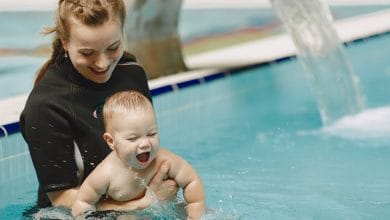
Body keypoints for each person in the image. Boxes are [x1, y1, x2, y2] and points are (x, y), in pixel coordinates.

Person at [19, 0, 178, 211]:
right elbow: (60, 200)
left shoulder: (132, 74)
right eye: (87, 53)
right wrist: (143, 204)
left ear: (123, 33)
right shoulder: (46, 106)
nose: (102, 64)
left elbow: (144, 146)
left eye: (113, 47)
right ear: (65, 42)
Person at [71, 90, 205, 219]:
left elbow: (191, 181)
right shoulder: (106, 173)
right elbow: (83, 203)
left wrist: (195, 212)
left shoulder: (164, 160)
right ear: (111, 141)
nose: (145, 143)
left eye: (151, 134)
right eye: (132, 138)